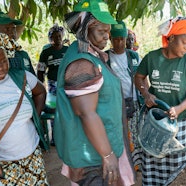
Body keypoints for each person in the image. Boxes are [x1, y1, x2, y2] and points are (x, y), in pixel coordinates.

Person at [54, 0, 135, 185]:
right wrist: (107, 155)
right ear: (84, 30)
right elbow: (86, 113)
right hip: (92, 158)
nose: (107, 36)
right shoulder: (81, 64)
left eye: (108, 31)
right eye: (101, 31)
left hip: (97, 150)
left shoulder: (92, 55)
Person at [134, 16, 186, 185]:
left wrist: (179, 108)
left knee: (175, 164)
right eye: (184, 42)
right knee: (151, 161)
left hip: (177, 124)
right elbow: (139, 78)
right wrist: (146, 94)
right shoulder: (152, 58)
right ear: (171, 38)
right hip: (154, 122)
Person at [0, 32, 49, 185]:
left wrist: (35, 117)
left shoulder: (22, 77)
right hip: (4, 164)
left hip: (33, 157)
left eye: (3, 61)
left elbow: (41, 92)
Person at [107, 20, 142, 170]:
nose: (120, 43)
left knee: (134, 135)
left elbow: (141, 78)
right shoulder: (105, 57)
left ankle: (134, 165)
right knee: (117, 135)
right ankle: (120, 165)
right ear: (110, 39)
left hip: (133, 102)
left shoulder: (133, 56)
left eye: (123, 39)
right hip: (114, 105)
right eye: (116, 39)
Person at [37, 24, 68, 146]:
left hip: (67, 85)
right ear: (51, 38)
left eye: (59, 36)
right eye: (55, 37)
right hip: (52, 87)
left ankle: (68, 137)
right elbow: (40, 71)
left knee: (68, 110)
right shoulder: (46, 53)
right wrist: (41, 88)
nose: (58, 38)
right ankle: (55, 138)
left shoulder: (67, 50)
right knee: (54, 113)